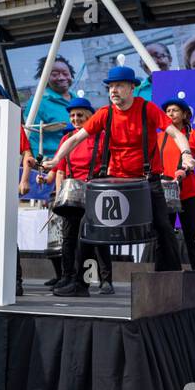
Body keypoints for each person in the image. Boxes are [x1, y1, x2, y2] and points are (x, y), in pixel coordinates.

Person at [47, 65, 195, 274]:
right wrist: (56, 161)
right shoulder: (104, 114)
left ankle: (168, 276)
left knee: (163, 227)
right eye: (110, 87)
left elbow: (176, 134)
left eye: (118, 86)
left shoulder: (148, 109)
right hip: (114, 180)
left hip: (147, 180)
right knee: (88, 226)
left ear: (132, 88)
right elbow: (76, 139)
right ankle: (80, 281)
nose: (113, 91)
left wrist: (186, 154)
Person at [51, 96, 114, 297]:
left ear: (90, 117)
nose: (76, 119)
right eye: (72, 115)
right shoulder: (66, 139)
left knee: (97, 237)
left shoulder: (102, 137)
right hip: (71, 195)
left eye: (80, 115)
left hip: (94, 191)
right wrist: (58, 197)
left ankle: (106, 280)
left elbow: (111, 165)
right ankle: (67, 276)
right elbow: (60, 171)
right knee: (68, 238)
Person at [0, 81, 34, 295]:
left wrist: (24, 179)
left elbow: (27, 154)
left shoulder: (13, 124)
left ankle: (16, 280)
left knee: (7, 234)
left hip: (3, 187)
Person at [159, 97, 195, 271]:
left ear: (184, 114)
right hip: (165, 194)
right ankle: (164, 275)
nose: (170, 114)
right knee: (164, 237)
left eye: (174, 110)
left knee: (193, 238)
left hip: (188, 194)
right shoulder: (159, 137)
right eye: (167, 111)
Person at [22, 55, 75, 157]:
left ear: (71, 75)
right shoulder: (37, 103)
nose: (61, 77)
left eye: (65, 73)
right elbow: (32, 138)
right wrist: (41, 163)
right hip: (55, 165)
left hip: (82, 162)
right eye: (55, 74)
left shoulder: (78, 100)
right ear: (45, 78)